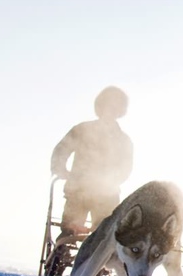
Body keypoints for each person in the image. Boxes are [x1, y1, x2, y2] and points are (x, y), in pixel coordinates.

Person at [50, 86, 134, 244]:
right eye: (108, 105)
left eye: (116, 106)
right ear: (100, 106)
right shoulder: (81, 130)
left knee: (103, 236)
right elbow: (61, 150)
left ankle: (99, 265)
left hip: (106, 196)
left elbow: (126, 168)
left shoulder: (123, 140)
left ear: (120, 110)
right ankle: (59, 261)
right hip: (77, 191)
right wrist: (60, 168)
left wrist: (110, 181)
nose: (111, 110)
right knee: (69, 231)